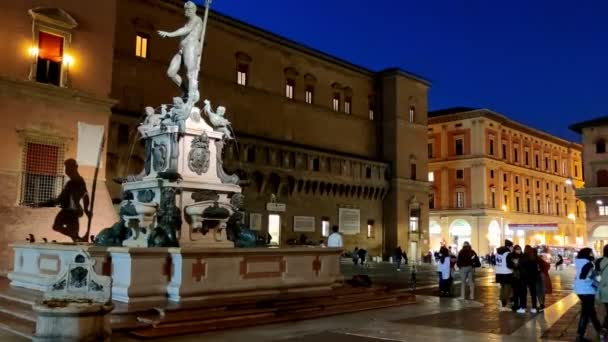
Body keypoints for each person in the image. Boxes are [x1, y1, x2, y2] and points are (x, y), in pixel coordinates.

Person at [157, 1, 204, 103]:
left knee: (190, 73)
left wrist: (170, 34)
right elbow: (185, 28)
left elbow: (186, 30)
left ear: (192, 10)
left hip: (191, 46)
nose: (185, 12)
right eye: (185, 9)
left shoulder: (197, 19)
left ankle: (192, 96)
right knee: (171, 72)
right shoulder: (188, 22)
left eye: (187, 10)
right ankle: (187, 90)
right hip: (182, 49)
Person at [47, 159, 91, 242]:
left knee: (59, 227)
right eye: (66, 168)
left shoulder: (77, 181)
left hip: (71, 211)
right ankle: (78, 238)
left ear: (74, 168)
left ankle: (78, 238)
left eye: (67, 168)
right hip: (69, 210)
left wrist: (86, 209)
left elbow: (85, 195)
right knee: (64, 229)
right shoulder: (72, 182)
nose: (66, 171)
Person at [573, 248, 603, 341]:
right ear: (588, 254)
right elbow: (583, 276)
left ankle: (599, 331)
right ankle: (581, 335)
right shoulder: (588, 263)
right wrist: (595, 277)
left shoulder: (579, 262)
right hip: (587, 290)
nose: (593, 254)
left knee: (588, 312)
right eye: (591, 253)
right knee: (588, 313)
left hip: (580, 289)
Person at [518, 245, 539, 314]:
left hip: (524, 278)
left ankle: (523, 307)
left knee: (523, 293)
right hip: (532, 278)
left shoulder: (522, 257)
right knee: (533, 293)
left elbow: (519, 267)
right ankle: (534, 308)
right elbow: (536, 269)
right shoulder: (534, 257)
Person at [495, 239, 514, 311]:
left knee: (502, 288)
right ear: (509, 247)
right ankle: (504, 304)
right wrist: (515, 265)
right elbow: (509, 264)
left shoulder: (498, 253)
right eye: (512, 247)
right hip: (507, 273)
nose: (512, 248)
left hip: (499, 273)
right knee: (507, 289)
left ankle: (500, 301)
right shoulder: (508, 254)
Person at [595, 245, 608, 332]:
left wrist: (601, 283)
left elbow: (597, 276)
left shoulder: (599, 261)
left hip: (603, 290)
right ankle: (604, 328)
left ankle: (604, 329)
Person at [510, 245, 523, 312]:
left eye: (520, 249)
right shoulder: (511, 256)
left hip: (522, 276)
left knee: (521, 291)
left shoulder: (522, 256)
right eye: (517, 249)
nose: (519, 250)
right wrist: (515, 264)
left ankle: (521, 305)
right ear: (515, 250)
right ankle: (516, 304)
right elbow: (509, 265)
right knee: (515, 291)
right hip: (514, 276)